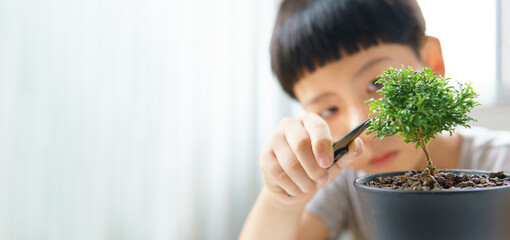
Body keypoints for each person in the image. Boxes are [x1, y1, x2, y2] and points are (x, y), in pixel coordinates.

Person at [239, 0, 510, 239]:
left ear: (431, 62)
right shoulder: (344, 179)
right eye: (329, 109)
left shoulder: (501, 163)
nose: (366, 129)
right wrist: (282, 201)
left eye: (379, 84)